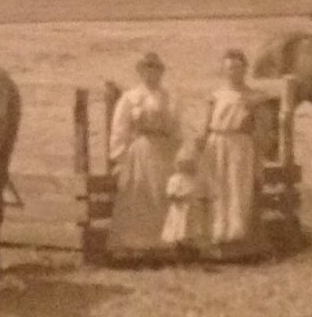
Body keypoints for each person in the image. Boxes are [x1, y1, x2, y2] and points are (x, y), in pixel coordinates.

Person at [190, 49, 266, 258]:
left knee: (237, 189)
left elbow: (260, 128)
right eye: (230, 68)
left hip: (240, 145)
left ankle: (236, 240)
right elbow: (206, 124)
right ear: (224, 71)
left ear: (245, 69)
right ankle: (216, 238)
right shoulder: (216, 95)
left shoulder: (253, 96)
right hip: (217, 143)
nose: (234, 72)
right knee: (217, 189)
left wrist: (258, 152)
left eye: (238, 68)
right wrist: (201, 143)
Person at [106, 53, 183, 258]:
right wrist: (119, 157)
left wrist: (178, 152)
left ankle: (162, 247)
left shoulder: (168, 97)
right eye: (147, 70)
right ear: (140, 72)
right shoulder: (130, 97)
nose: (152, 74)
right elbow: (119, 129)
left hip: (164, 150)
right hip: (140, 151)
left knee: (162, 194)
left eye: (156, 70)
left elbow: (176, 128)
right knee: (140, 194)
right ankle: (135, 246)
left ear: (161, 72)